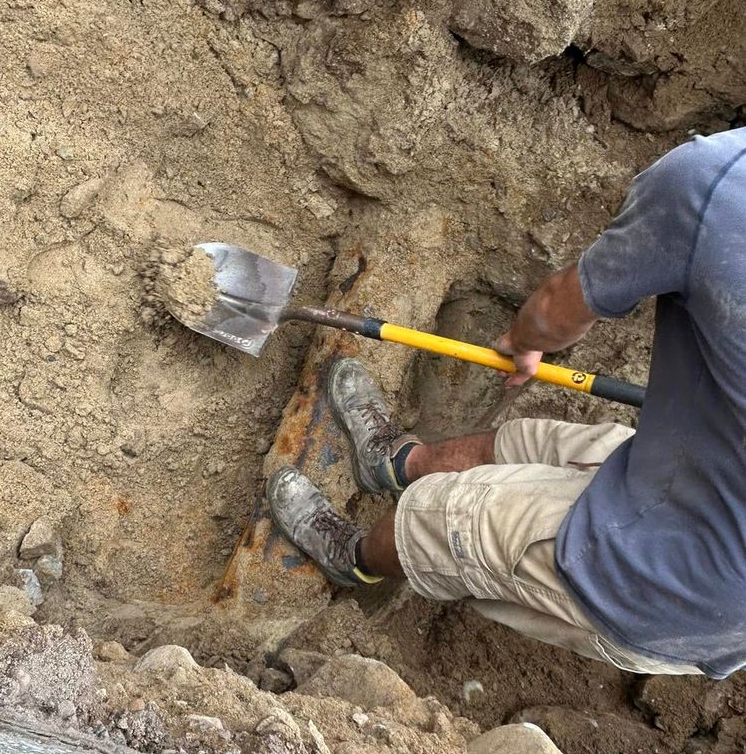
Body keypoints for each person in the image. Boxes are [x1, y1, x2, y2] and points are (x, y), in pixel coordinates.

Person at [267, 128, 746, 680]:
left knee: (435, 517)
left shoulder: (714, 184)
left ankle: (354, 559)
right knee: (523, 444)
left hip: (681, 582)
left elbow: (555, 312)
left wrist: (523, 341)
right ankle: (394, 463)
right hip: (695, 471)